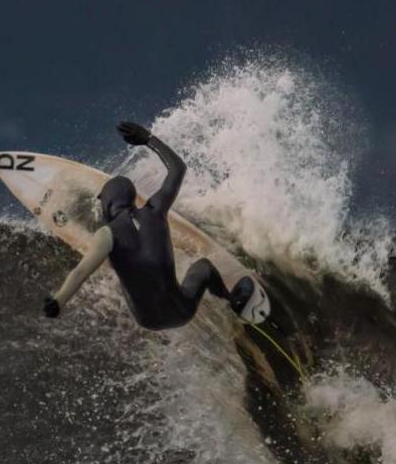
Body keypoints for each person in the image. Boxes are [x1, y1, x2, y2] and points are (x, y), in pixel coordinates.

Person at [43, 121, 255, 330]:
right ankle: (231, 301)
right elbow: (178, 169)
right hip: (183, 310)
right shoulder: (155, 210)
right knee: (204, 267)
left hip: (149, 321)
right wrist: (148, 139)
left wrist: (58, 301)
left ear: (107, 204)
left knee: (123, 271)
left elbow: (81, 271)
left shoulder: (107, 235)